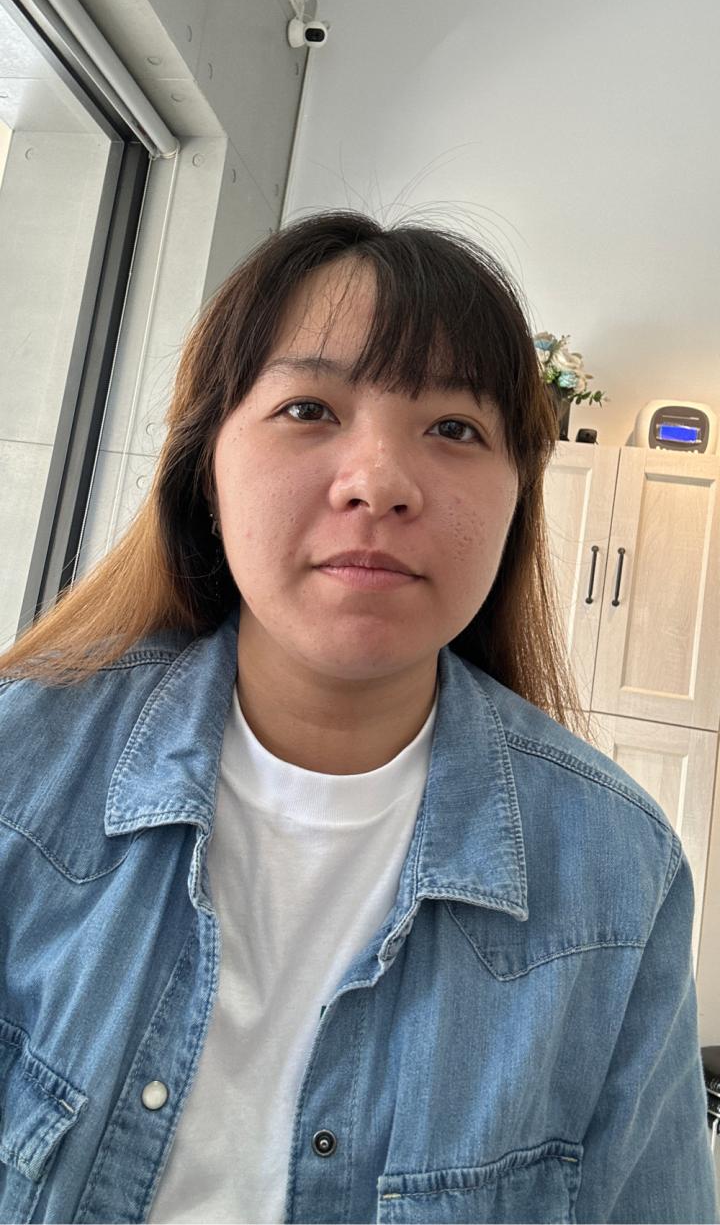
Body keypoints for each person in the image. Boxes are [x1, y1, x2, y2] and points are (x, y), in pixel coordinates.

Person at [0, 210, 716, 1225]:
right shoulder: (22, 766)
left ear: (519, 498)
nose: (378, 481)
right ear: (208, 468)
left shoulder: (618, 877)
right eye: (308, 408)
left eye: (455, 428)